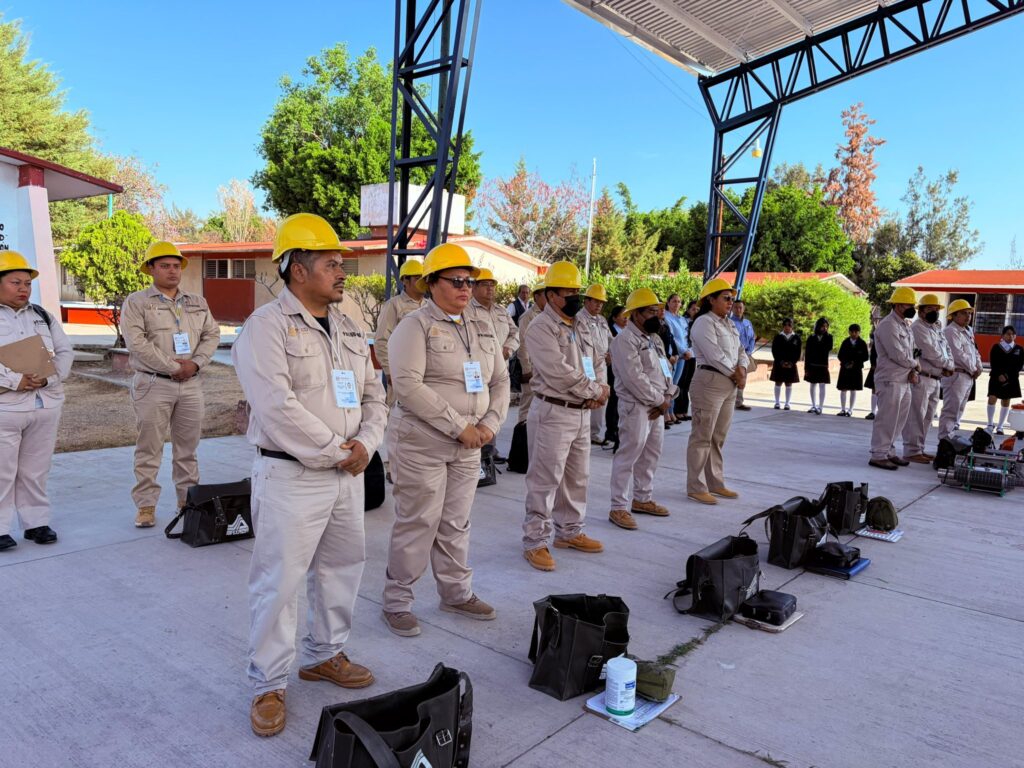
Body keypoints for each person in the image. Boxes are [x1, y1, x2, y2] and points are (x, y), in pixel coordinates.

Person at [232, 213, 387, 737]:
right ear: (297, 269)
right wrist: (334, 450)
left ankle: (326, 654)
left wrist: (365, 444)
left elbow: (374, 395)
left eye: (342, 263)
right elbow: (275, 406)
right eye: (331, 263)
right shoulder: (266, 328)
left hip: (347, 472)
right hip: (292, 475)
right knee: (279, 582)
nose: (343, 273)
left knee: (343, 567)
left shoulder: (348, 327)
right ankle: (268, 683)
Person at [382, 243, 509, 635]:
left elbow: (500, 380)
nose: (466, 288)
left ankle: (455, 593)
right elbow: (407, 385)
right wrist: (459, 426)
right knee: (418, 521)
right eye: (456, 281)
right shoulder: (413, 326)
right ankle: (397, 601)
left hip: (469, 443)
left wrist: (490, 424)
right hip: (423, 442)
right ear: (431, 283)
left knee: (456, 522)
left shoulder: (482, 326)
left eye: (469, 281)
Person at [121, 241, 221, 528]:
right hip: (154, 383)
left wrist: (196, 364)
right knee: (149, 448)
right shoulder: (137, 302)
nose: (172, 271)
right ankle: (146, 506)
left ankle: (188, 502)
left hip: (190, 383)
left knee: (187, 449)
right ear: (151, 269)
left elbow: (211, 335)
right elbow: (136, 343)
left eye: (176, 266)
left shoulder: (197, 302)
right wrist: (172, 367)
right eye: (164, 265)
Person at [522, 261, 608, 571]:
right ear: (552, 295)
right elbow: (558, 373)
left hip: (581, 412)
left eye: (576, 290)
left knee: (577, 477)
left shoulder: (580, 324)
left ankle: (570, 531)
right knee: (545, 479)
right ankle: (535, 541)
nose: (574, 296)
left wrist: (600, 386)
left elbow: (596, 359)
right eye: (568, 291)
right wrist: (593, 390)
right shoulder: (540, 328)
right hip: (554, 411)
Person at [0, 252, 74, 551]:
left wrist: (49, 379)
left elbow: (65, 351)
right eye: (15, 282)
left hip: (45, 403)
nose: (23, 289)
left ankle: (35, 523)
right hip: (7, 407)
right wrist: (13, 380)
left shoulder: (42, 315)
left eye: (27, 284)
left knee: (36, 468)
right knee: (2, 470)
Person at [607, 288, 677, 531]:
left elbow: (665, 370)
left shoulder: (654, 339)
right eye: (650, 311)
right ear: (636, 314)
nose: (657, 316)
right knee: (628, 455)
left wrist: (668, 396)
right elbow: (634, 378)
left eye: (657, 311)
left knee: (651, 454)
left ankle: (642, 498)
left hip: (657, 407)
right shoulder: (624, 341)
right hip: (636, 407)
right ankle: (618, 506)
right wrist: (660, 400)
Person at [686, 278, 747, 505]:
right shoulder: (703, 322)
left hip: (729, 383)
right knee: (702, 435)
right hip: (709, 381)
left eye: (732, 298)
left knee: (717, 437)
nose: (731, 302)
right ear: (710, 300)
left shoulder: (728, 324)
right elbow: (713, 355)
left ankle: (715, 482)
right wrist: (737, 374)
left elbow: (741, 349)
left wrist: (741, 367)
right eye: (726, 298)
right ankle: (695, 485)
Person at [868, 287, 919, 470]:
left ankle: (889, 451)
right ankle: (878, 454)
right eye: (908, 304)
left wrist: (914, 369)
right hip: (890, 379)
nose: (912, 308)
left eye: (912, 304)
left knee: (899, 418)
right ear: (898, 305)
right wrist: (914, 365)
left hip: (904, 378)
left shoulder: (905, 324)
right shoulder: (888, 324)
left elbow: (913, 351)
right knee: (887, 417)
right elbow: (896, 354)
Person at [901, 294, 953, 463]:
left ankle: (919, 448)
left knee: (928, 417)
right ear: (921, 311)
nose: (934, 312)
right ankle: (911, 450)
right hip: (923, 377)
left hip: (936, 378)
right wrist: (946, 365)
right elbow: (931, 353)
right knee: (917, 415)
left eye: (936, 309)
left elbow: (946, 350)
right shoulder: (918, 328)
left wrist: (947, 365)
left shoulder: (936, 329)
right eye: (930, 309)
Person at [507, 279, 547, 474]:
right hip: (531, 371)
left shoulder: (549, 315)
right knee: (525, 412)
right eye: (544, 294)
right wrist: (525, 370)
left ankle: (534, 454)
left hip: (544, 373)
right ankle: (520, 456)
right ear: (537, 296)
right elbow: (522, 346)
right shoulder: (527, 317)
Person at [374, 259, 425, 407]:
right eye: (417, 278)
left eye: (424, 278)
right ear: (405, 281)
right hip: (401, 374)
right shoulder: (394, 305)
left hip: (425, 376)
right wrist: (390, 372)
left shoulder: (429, 307)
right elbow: (381, 340)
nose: (422, 282)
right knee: (399, 417)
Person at [939, 300, 983, 441]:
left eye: (969, 313)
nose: (968, 316)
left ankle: (951, 438)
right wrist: (973, 368)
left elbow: (974, 351)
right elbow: (958, 354)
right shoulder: (950, 331)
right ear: (954, 315)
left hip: (967, 376)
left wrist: (979, 367)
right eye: (964, 313)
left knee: (959, 410)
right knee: (951, 410)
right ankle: (945, 441)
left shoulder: (968, 331)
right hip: (956, 375)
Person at [580, 284, 613, 445]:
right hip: (586, 363)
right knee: (587, 396)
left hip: (601, 364)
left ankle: (594, 433)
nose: (599, 305)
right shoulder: (579, 318)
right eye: (595, 301)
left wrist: (611, 353)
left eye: (601, 302)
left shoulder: (601, 320)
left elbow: (610, 340)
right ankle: (584, 431)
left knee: (602, 397)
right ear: (586, 301)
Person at [987, 325, 1022, 434]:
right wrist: (999, 375)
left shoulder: (1019, 349)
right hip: (996, 377)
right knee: (992, 398)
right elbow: (993, 363)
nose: (1010, 336)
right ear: (1002, 335)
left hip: (1011, 379)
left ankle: (1000, 426)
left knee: (1006, 401)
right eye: (1008, 334)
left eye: (1012, 334)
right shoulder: (996, 347)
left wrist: (1006, 376)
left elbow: (1018, 366)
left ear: (1015, 336)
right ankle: (989, 424)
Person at [663, 294, 692, 421]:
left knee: (676, 384)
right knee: (669, 384)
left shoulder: (682, 319)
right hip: (673, 354)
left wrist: (688, 350)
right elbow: (673, 337)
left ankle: (672, 411)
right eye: (674, 301)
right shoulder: (666, 317)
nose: (676, 304)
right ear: (668, 303)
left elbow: (686, 337)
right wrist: (682, 351)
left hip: (683, 356)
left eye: (679, 301)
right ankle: (666, 413)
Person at [604, 305, 626, 446]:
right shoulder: (611, 330)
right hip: (612, 368)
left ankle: (617, 428)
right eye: (623, 315)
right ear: (614, 318)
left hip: (623, 368)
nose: (626, 318)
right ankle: (610, 430)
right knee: (613, 400)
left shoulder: (627, 331)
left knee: (619, 400)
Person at [674, 300, 700, 421]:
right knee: (681, 382)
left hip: (693, 355)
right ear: (688, 309)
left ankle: (684, 410)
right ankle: (677, 410)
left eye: (697, 309)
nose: (696, 311)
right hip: (684, 354)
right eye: (693, 309)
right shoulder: (684, 321)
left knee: (687, 383)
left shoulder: (699, 322)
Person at [836, 324, 870, 416]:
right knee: (843, 389)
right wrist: (846, 363)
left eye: (856, 332)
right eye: (852, 332)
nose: (854, 334)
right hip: (845, 368)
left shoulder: (862, 343)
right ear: (849, 332)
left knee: (853, 389)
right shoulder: (845, 342)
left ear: (859, 332)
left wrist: (854, 363)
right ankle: (842, 409)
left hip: (856, 369)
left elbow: (866, 357)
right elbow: (840, 355)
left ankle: (850, 410)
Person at [654, 307, 679, 426]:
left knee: (669, 385)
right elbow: (660, 346)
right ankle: (664, 415)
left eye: (663, 309)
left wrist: (676, 354)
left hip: (669, 360)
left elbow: (671, 341)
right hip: (662, 359)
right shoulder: (653, 326)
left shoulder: (665, 324)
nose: (662, 311)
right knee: (661, 386)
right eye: (658, 309)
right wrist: (668, 356)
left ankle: (668, 413)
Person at [730, 299, 756, 411]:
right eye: (736, 307)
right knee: (734, 377)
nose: (738, 310)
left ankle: (739, 402)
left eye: (740, 307)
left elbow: (752, 338)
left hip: (746, 353)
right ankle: (731, 401)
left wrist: (749, 351)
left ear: (744, 309)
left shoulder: (748, 323)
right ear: (732, 308)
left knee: (743, 377)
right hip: (734, 354)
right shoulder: (729, 322)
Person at [769, 318, 800, 410]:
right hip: (779, 364)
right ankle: (777, 402)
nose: (787, 327)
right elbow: (774, 351)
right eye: (785, 325)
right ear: (783, 326)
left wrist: (791, 362)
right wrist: (781, 362)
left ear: (792, 326)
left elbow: (798, 352)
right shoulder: (778, 337)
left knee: (788, 383)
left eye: (789, 325)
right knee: (778, 382)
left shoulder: (796, 338)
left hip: (791, 364)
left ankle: (787, 403)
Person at [804, 318, 833, 414]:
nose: (824, 328)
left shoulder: (829, 337)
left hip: (823, 365)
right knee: (812, 385)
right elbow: (807, 353)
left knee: (822, 385)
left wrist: (822, 340)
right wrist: (806, 368)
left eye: (826, 326)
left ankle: (820, 406)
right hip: (812, 365)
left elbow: (828, 348)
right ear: (818, 326)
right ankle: (813, 405)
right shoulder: (811, 338)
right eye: (822, 326)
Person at [864, 330, 878, 420]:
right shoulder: (877, 340)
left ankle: (881, 412)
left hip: (888, 368)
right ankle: (873, 411)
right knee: (874, 389)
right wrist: (873, 364)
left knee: (886, 391)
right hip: (876, 367)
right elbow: (873, 353)